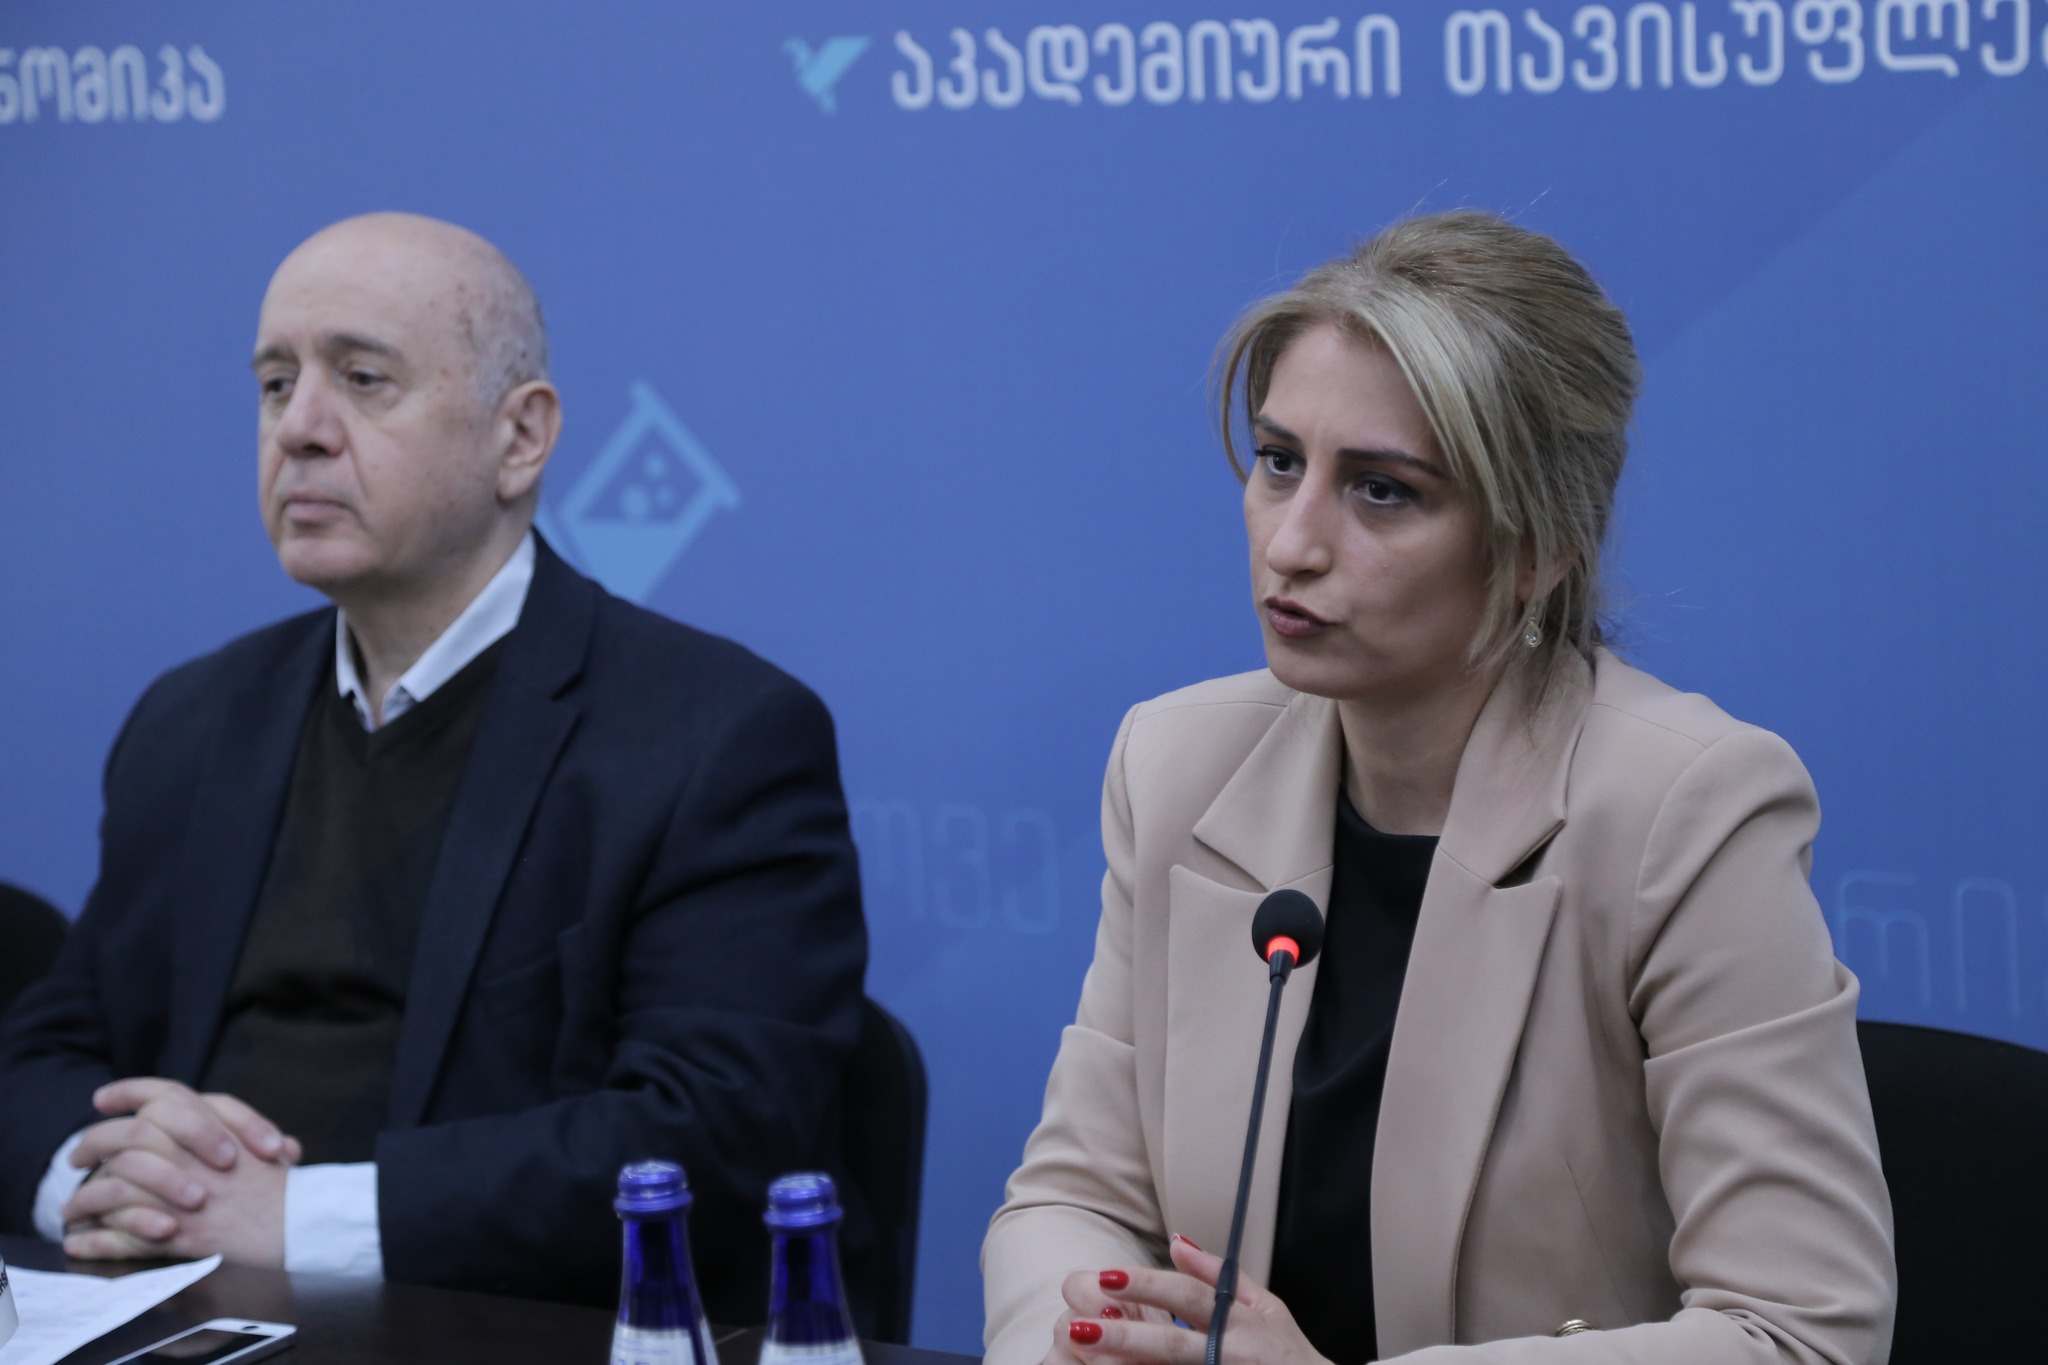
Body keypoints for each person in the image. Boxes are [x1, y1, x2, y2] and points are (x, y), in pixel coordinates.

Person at [982, 213, 1894, 1364]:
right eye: (1278, 462)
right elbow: (1070, 1197)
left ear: (1537, 547)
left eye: (1380, 490)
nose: (1291, 544)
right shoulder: (1175, 763)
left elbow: (1797, 1331)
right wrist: (1076, 1340)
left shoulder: (1687, 811)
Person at [0, 213, 869, 1319]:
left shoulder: (715, 736)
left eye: (363, 379)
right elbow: (47, 1046)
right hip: (174, 1312)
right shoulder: (193, 719)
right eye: (275, 384)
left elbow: (710, 1132)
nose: (299, 429)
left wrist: (289, 1221)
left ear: (520, 438)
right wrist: (108, 1183)